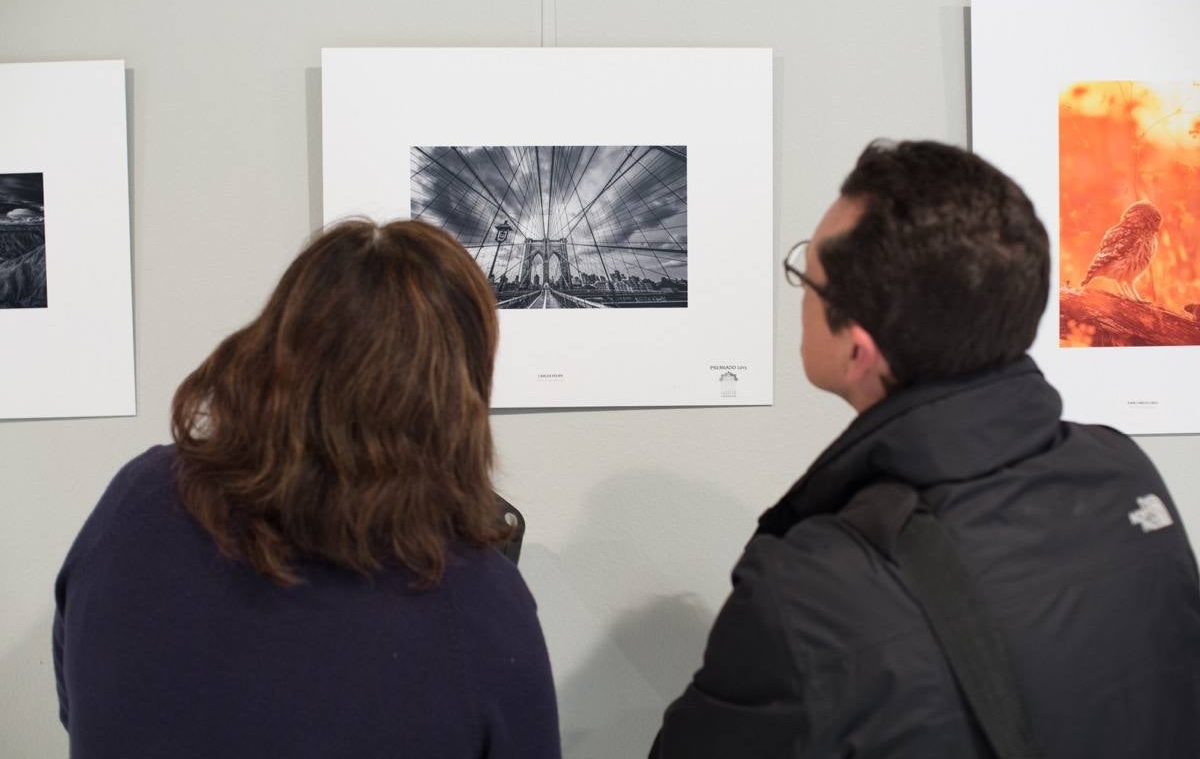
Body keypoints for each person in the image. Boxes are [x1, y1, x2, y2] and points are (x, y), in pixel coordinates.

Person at [651, 141, 1200, 757]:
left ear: (858, 348)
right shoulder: (1124, 475)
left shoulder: (808, 587)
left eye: (808, 276)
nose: (800, 293)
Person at [54, 219, 561, 759]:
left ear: (275, 343)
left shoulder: (139, 498)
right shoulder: (478, 601)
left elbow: (78, 700)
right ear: (456, 394)